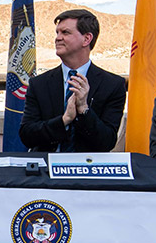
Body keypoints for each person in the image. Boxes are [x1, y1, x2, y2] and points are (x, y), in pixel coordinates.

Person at [19, 9, 126, 152]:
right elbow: (27, 136)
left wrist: (84, 110)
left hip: (87, 169)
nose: (58, 38)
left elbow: (107, 142)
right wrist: (64, 120)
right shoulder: (39, 84)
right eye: (57, 33)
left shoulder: (113, 85)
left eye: (65, 32)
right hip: (47, 169)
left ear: (87, 39)